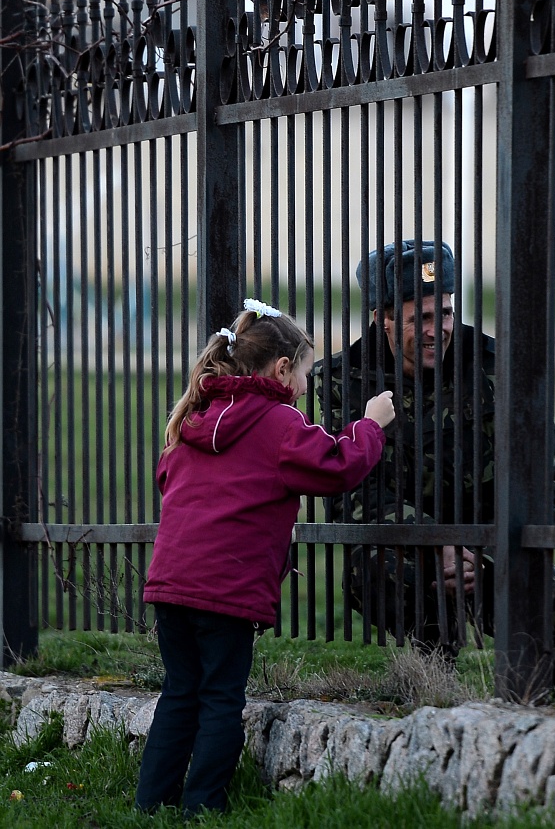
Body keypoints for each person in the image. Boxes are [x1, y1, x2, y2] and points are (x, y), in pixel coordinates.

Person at [135, 298, 396, 816]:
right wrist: (372, 424)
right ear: (281, 370)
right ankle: (203, 807)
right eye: (301, 373)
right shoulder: (277, 422)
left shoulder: (195, 418)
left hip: (170, 585)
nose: (304, 387)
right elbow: (337, 466)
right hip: (225, 592)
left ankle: (152, 805)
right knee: (221, 701)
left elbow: (172, 483)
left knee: (180, 694)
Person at [314, 240, 555, 693]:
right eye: (420, 319)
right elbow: (351, 495)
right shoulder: (340, 383)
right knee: (385, 571)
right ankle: (432, 675)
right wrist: (435, 545)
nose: (437, 329)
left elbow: (549, 476)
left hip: (489, 544)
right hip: (401, 548)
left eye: (443, 313)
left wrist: (482, 550)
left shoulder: (496, 366)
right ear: (382, 320)